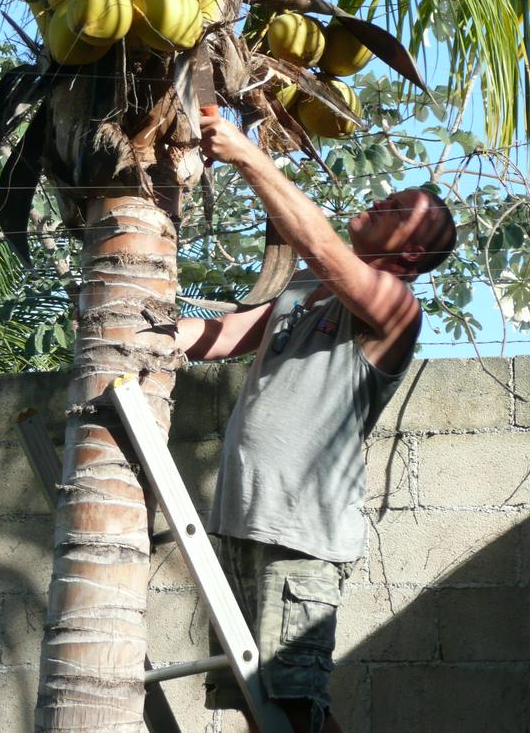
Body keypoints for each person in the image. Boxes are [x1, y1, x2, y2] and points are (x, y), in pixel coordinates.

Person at [176, 113, 457, 733]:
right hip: (240, 519)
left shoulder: (396, 310)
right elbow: (223, 337)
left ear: (410, 252)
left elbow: (321, 245)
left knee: (297, 710)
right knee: (258, 709)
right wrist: (151, 337)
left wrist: (248, 155)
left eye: (396, 206)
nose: (377, 200)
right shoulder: (306, 291)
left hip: (300, 534)